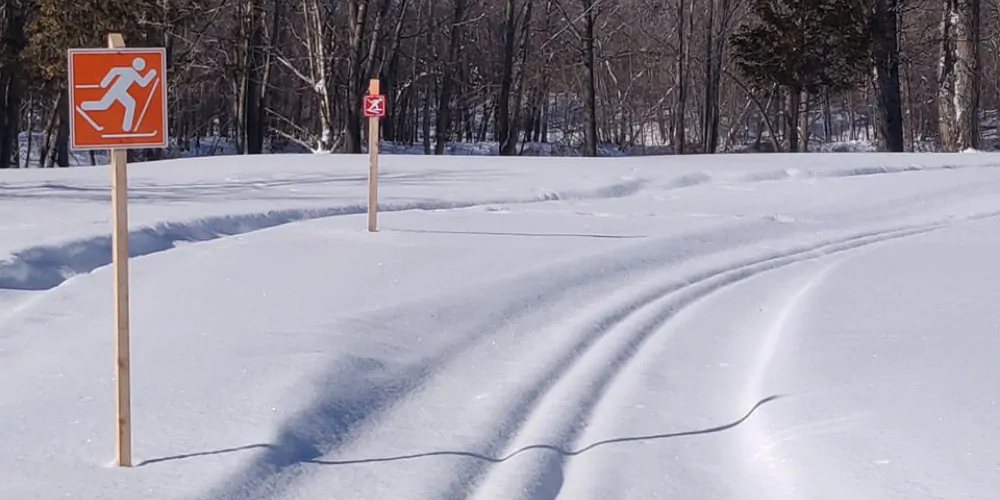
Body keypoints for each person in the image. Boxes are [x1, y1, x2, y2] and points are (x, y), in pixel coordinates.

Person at [80, 57, 157, 132]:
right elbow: (114, 70)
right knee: (104, 105)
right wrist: (104, 83)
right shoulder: (129, 71)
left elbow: (143, 83)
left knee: (130, 103)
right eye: (141, 65)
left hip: (121, 92)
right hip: (116, 90)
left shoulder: (133, 73)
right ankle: (84, 105)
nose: (142, 67)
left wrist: (151, 74)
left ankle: (126, 128)